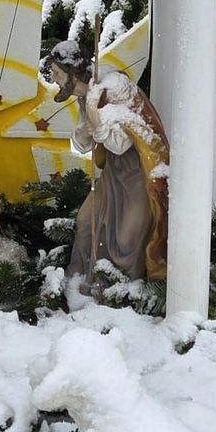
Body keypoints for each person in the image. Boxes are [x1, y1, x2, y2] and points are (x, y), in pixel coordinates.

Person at [45, 38, 169, 284]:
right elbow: (83, 143)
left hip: (138, 175)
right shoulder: (85, 95)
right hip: (114, 171)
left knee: (126, 241)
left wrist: (96, 118)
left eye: (57, 73)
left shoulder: (113, 87)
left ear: (72, 73)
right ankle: (78, 281)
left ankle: (121, 293)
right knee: (85, 221)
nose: (54, 79)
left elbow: (121, 144)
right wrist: (86, 126)